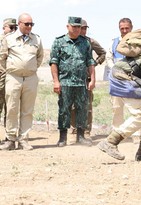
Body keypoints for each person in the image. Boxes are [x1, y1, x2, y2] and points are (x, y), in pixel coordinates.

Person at [50, 16, 96, 147]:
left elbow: (90, 62)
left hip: (81, 83)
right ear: (68, 26)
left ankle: (80, 137)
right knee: (64, 110)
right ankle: (62, 137)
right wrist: (56, 82)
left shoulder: (85, 43)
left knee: (82, 109)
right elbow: (54, 62)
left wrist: (92, 79)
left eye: (79, 27)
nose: (76, 29)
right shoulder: (59, 42)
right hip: (65, 82)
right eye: (74, 26)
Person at [0, 13, 44, 150]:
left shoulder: (37, 39)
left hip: (30, 78)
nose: (29, 27)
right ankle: (11, 139)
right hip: (13, 77)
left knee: (27, 110)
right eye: (27, 24)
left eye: (31, 24)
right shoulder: (9, 39)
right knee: (12, 109)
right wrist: (11, 70)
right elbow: (2, 57)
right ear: (19, 24)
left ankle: (24, 139)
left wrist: (30, 69)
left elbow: (40, 57)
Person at [105, 17, 141, 141]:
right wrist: (115, 69)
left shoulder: (137, 42)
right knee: (117, 108)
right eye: (122, 28)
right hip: (117, 80)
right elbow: (108, 58)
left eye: (127, 28)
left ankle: (136, 134)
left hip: (133, 80)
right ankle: (117, 133)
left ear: (131, 28)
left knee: (136, 108)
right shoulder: (113, 42)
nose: (124, 30)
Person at [70, 19, 106, 138]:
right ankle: (75, 128)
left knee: (87, 106)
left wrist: (95, 63)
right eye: (82, 28)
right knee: (73, 106)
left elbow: (103, 53)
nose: (83, 30)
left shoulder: (90, 42)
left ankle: (86, 131)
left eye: (85, 28)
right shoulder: (70, 41)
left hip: (86, 78)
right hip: (72, 78)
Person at [0, 18, 17, 132]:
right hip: (1, 77)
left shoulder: (17, 40)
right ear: (4, 28)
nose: (13, 30)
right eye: (10, 27)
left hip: (12, 78)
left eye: (15, 28)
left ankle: (9, 135)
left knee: (11, 108)